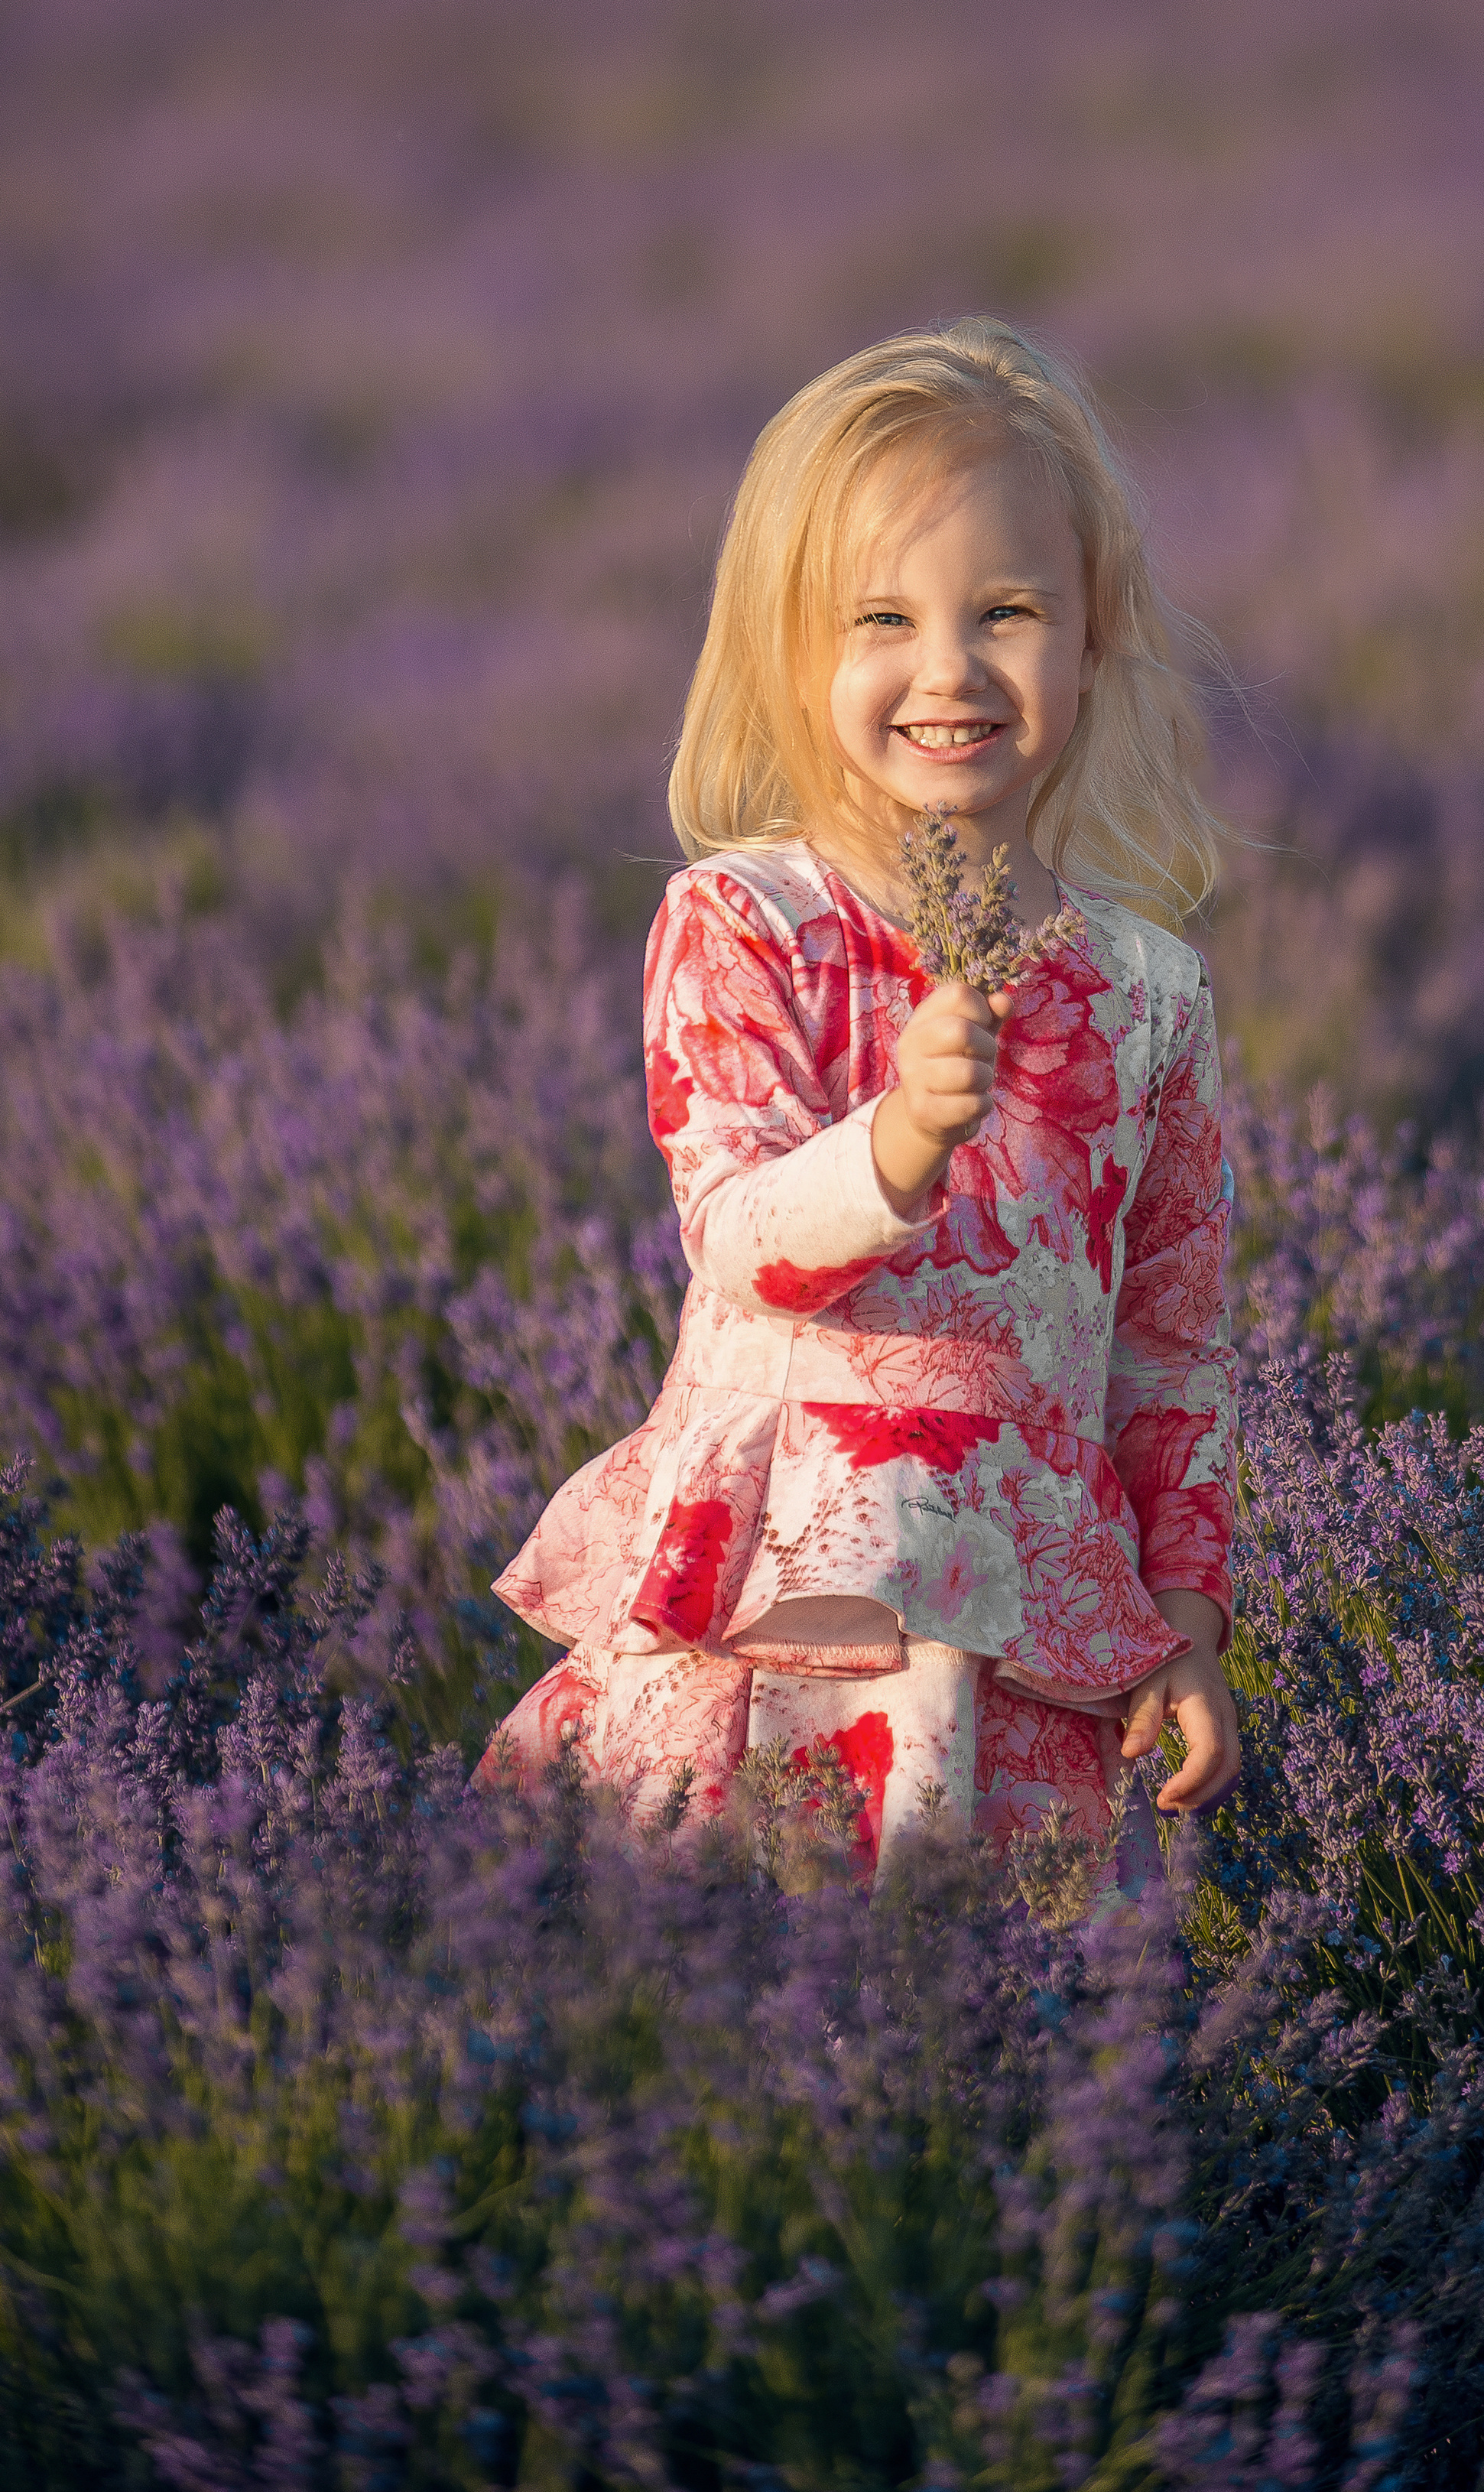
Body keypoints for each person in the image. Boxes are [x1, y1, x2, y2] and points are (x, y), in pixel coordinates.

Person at [479, 317, 1239, 1879]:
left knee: (975, 2032)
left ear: (1092, 637)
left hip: (1021, 1622)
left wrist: (1184, 1616)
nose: (947, 668)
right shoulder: (744, 923)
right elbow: (740, 1235)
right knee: (706, 1976)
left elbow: (1168, 1345)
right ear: (790, 652)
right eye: (879, 617)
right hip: (781, 1606)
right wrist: (893, 1145)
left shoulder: (1147, 990)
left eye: (1007, 610)